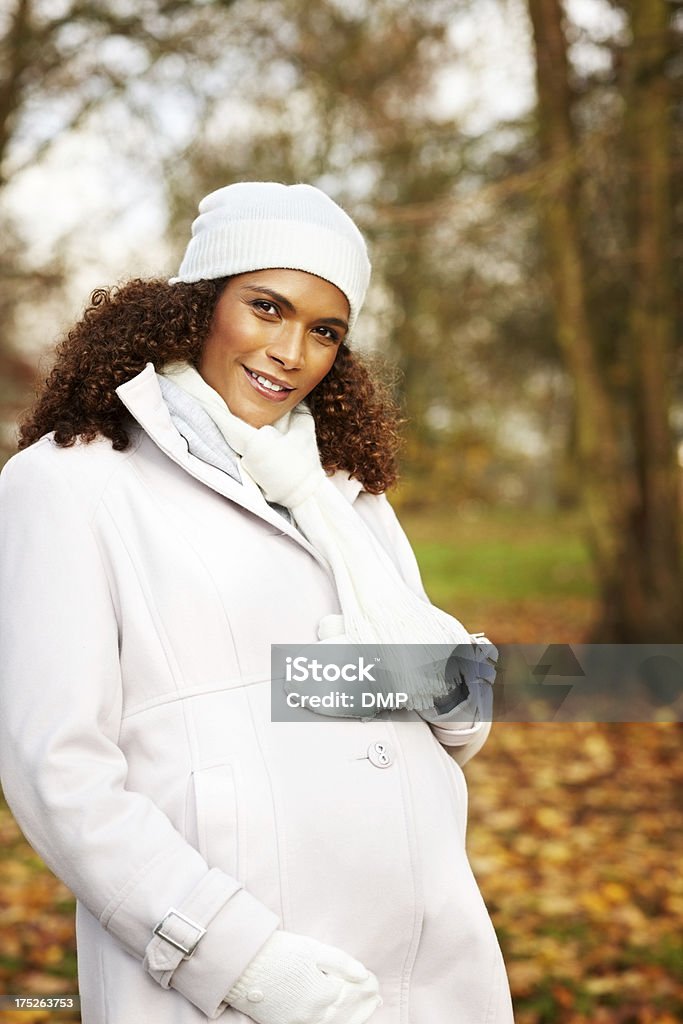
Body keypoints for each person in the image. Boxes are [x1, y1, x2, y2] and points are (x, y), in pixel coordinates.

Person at [0, 182, 514, 1024]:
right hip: (244, 975)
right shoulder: (69, 483)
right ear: (199, 305)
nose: (290, 351)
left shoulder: (341, 492)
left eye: (324, 330)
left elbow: (458, 716)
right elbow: (59, 772)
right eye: (266, 307)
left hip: (426, 964)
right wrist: (241, 963)